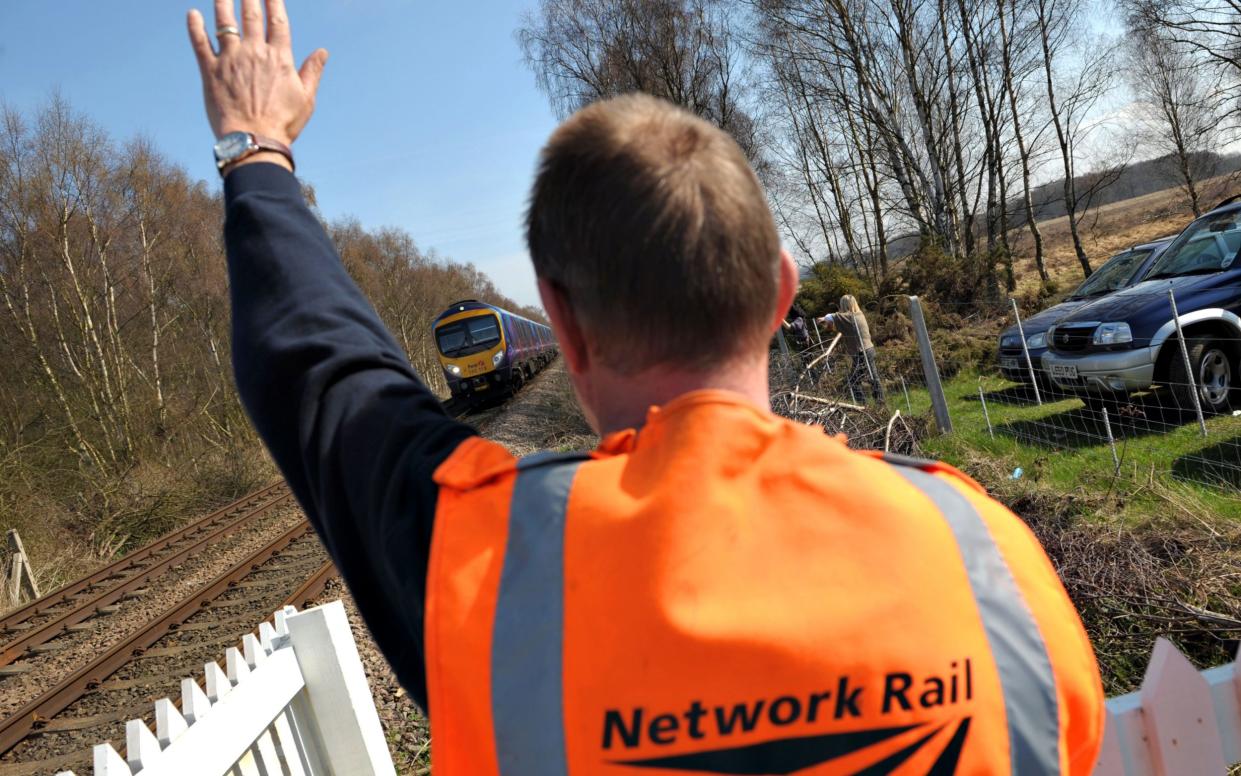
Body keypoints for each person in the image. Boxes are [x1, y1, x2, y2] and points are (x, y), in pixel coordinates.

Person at [187, 2, 1104, 772]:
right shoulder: (989, 554)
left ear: (564, 323)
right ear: (781, 291)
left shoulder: (493, 567)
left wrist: (255, 152)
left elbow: (321, 374)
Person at [817, 295, 886, 404]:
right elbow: (836, 324)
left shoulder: (850, 317)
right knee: (873, 377)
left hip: (862, 353)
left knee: (854, 381)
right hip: (869, 349)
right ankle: (880, 403)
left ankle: (864, 406)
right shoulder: (859, 315)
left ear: (843, 305)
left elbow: (832, 317)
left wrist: (822, 319)